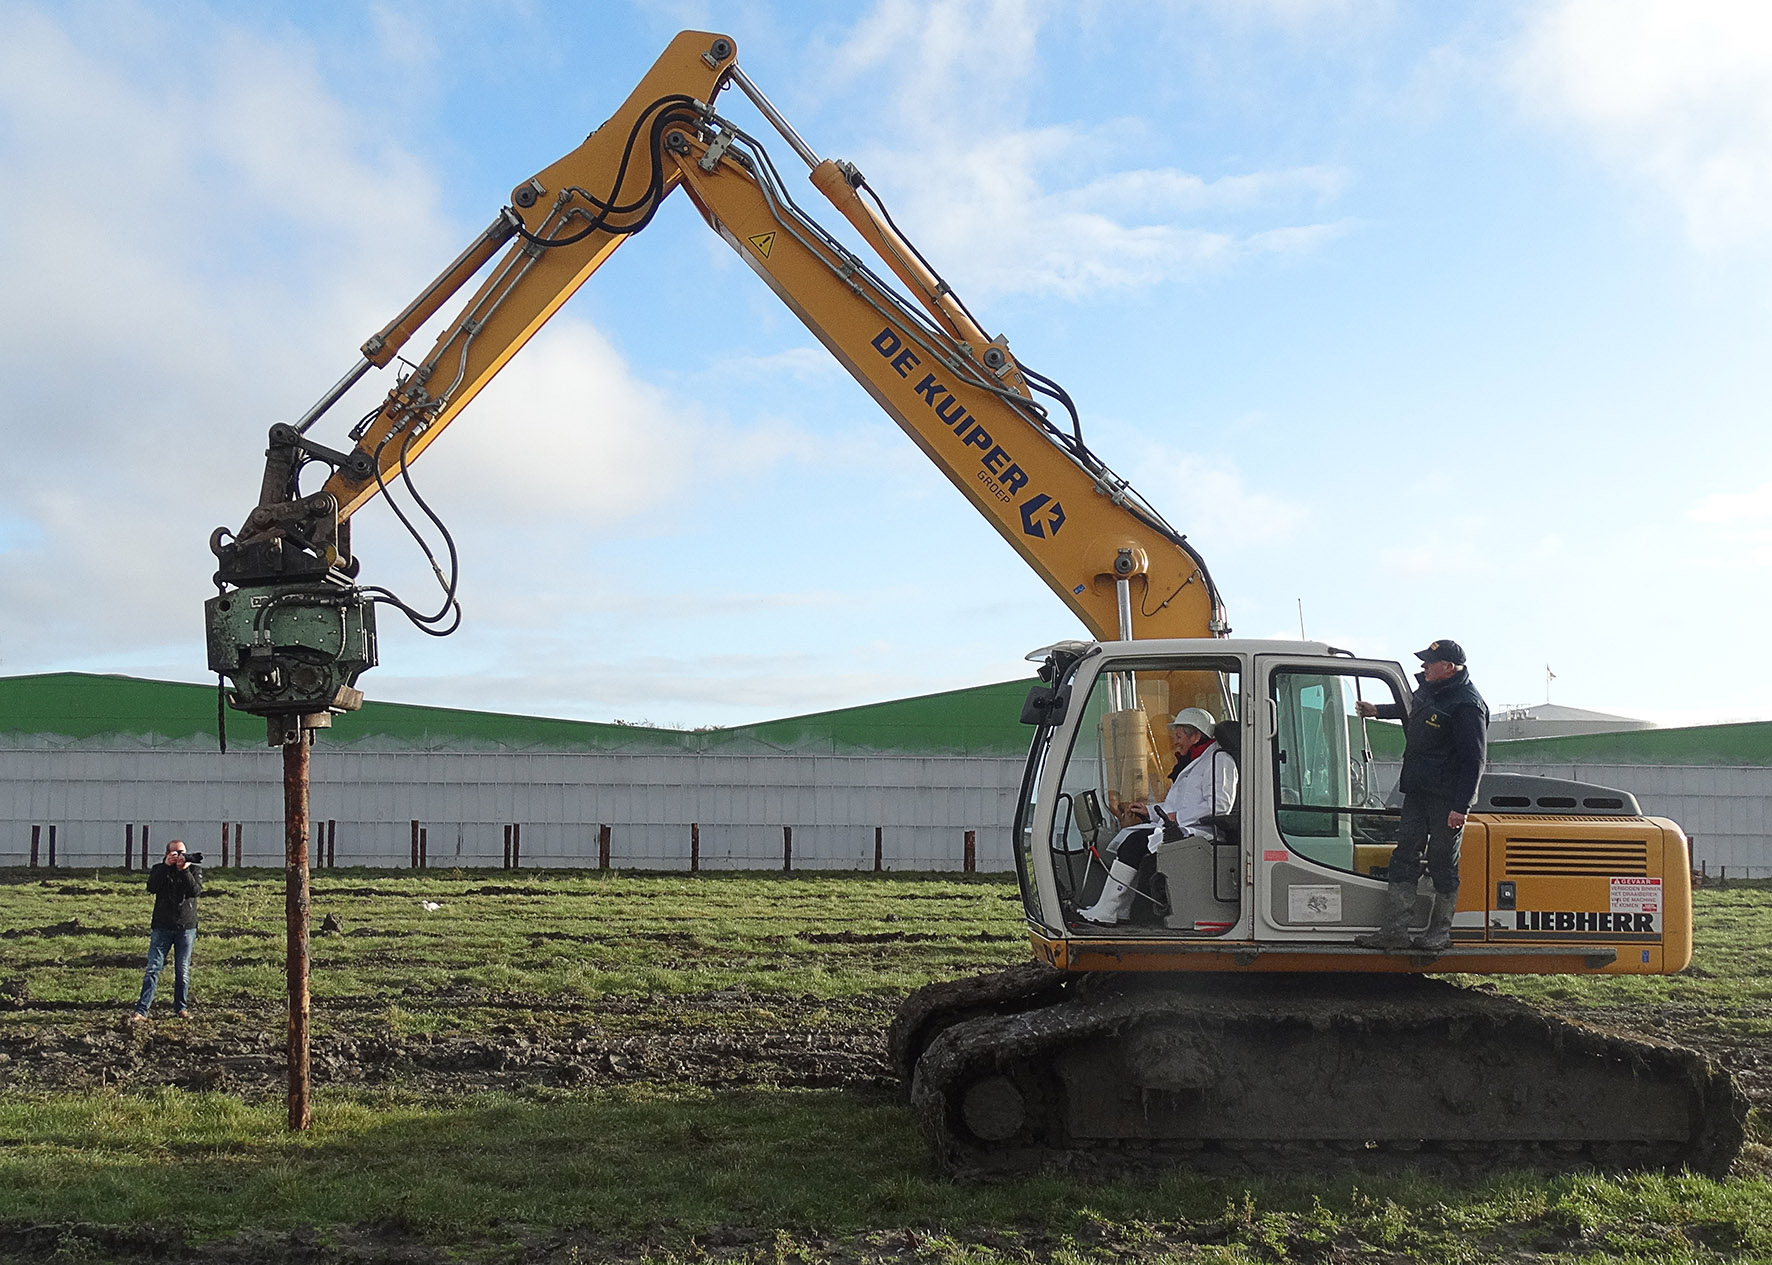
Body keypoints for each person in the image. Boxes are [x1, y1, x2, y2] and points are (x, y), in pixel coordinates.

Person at [1354, 639, 1488, 952]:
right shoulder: (1430, 691)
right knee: (1403, 857)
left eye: (1430, 662)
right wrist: (1378, 711)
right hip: (1417, 790)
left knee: (1442, 862)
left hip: (1446, 799)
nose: (1423, 666)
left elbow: (1474, 760)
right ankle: (1395, 932)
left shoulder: (1467, 704)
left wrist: (1461, 806)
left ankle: (1439, 932)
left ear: (1449, 667)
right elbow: (1414, 710)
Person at [1076, 707, 1238, 925]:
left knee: (1135, 843)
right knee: (1128, 840)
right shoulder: (1197, 760)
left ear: (1196, 735)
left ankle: (1108, 910)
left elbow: (1219, 806)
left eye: (1179, 736)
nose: (1175, 742)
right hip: (1185, 826)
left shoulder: (1220, 760)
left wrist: (1176, 818)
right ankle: (1118, 911)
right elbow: (1180, 803)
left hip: (1204, 832)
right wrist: (1150, 811)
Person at [130, 839, 202, 1021]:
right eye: (176, 853)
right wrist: (165, 867)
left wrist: (184, 870)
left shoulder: (193, 869)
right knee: (153, 968)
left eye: (183, 852)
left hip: (185, 927)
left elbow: (194, 891)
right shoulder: (159, 869)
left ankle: (181, 1008)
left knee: (182, 970)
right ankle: (142, 1009)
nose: (180, 856)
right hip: (162, 926)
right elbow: (152, 887)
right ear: (167, 854)